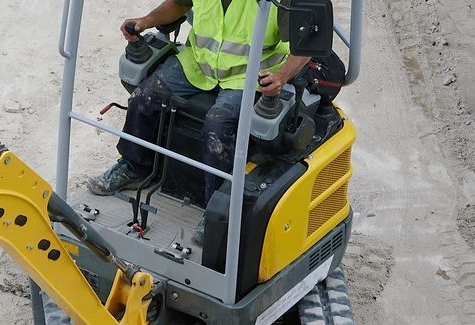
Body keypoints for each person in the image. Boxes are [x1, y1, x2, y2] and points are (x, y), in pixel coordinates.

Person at [89, 0, 311, 209]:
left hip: (249, 76)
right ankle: (133, 166)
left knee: (217, 127)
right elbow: (179, 4)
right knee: (143, 97)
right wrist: (146, 21)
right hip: (198, 64)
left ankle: (217, 204)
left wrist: (281, 77)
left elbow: (305, 46)